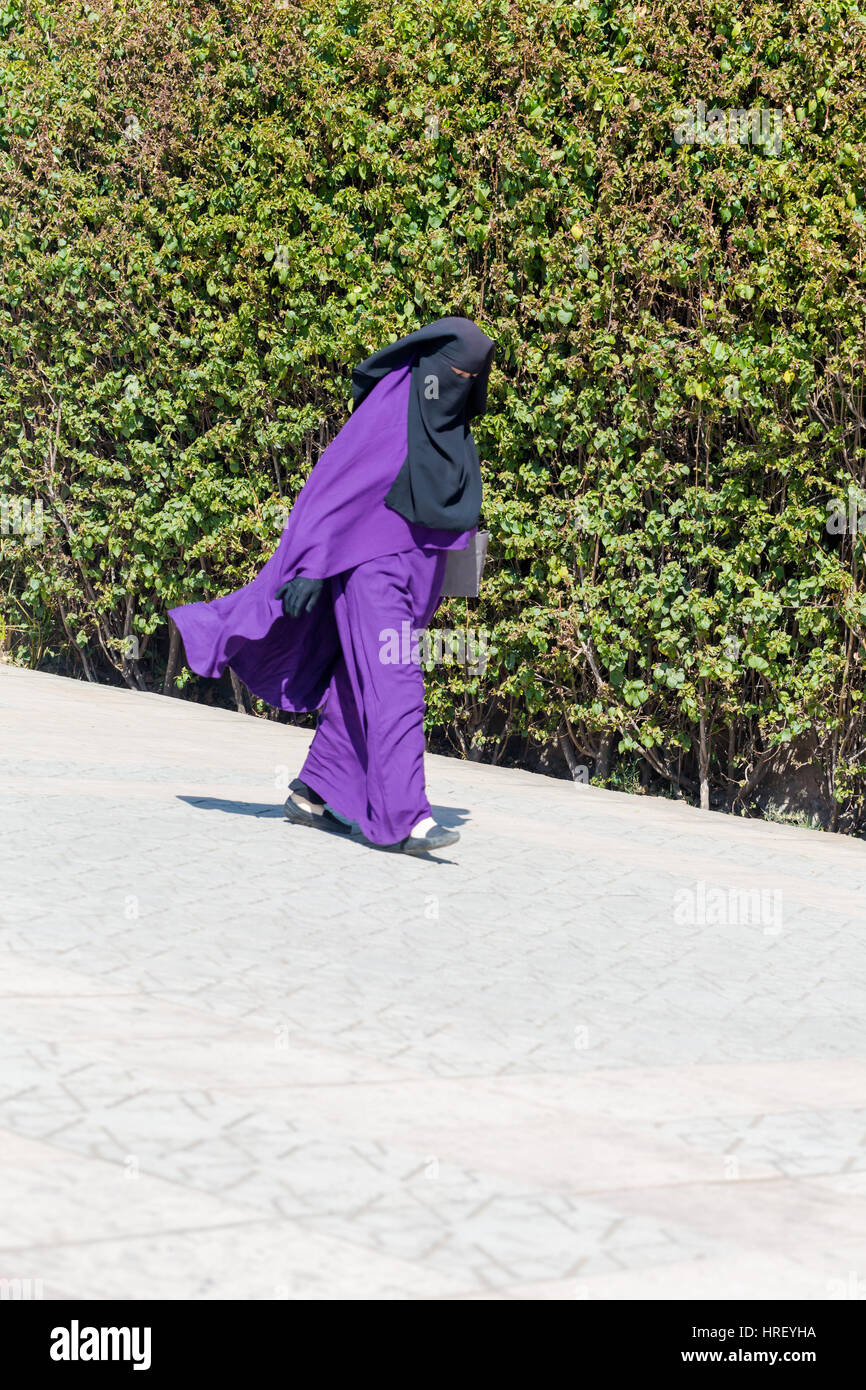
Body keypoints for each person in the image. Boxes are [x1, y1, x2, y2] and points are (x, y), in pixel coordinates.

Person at [169, 315, 495, 855]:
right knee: (397, 679)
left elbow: (451, 516)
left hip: (419, 577)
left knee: (357, 681)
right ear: (428, 367)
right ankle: (407, 819)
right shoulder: (392, 410)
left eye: (471, 375)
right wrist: (312, 565)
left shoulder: (451, 429)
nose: (459, 383)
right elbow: (332, 487)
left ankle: (312, 795)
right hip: (372, 570)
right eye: (452, 372)